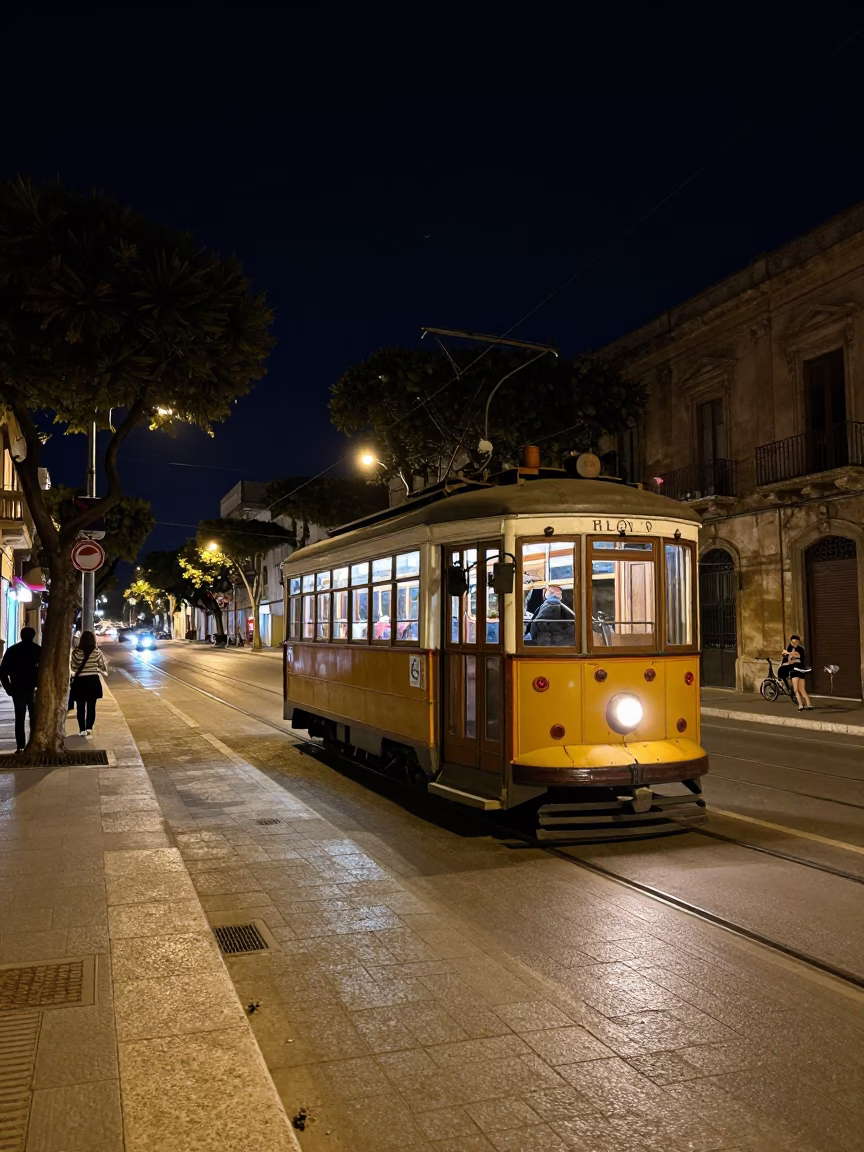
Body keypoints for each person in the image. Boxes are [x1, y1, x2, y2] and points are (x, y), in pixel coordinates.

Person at [0, 626, 41, 752]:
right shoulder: (39, 651)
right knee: (35, 717)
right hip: (34, 689)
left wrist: (9, 688)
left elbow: (3, 672)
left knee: (20, 717)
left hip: (18, 689)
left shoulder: (12, 650)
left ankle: (20, 746)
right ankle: (34, 742)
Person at [69, 631, 108, 738]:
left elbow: (73, 667)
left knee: (80, 707)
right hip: (93, 681)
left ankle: (82, 729)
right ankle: (89, 727)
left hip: (80, 682)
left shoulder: (76, 652)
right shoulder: (97, 651)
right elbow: (102, 665)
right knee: (91, 706)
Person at [784, 633, 813, 711]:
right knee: (798, 689)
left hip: (798, 671)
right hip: (795, 671)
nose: (794, 643)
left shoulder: (800, 649)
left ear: (798, 642)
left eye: (795, 642)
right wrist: (788, 658)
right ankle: (805, 705)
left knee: (799, 689)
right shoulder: (790, 649)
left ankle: (804, 705)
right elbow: (790, 661)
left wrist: (789, 654)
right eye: (793, 642)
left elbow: (798, 656)